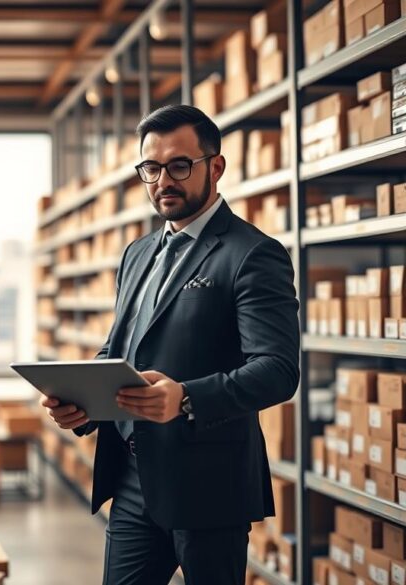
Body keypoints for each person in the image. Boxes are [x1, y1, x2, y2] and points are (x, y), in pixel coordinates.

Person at [43, 105, 299, 585]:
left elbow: (278, 369)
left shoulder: (252, 254)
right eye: (151, 168)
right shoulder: (137, 253)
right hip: (133, 481)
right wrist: (86, 402)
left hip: (210, 487)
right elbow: (118, 350)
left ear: (215, 167)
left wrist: (184, 398)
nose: (164, 180)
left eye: (179, 165)